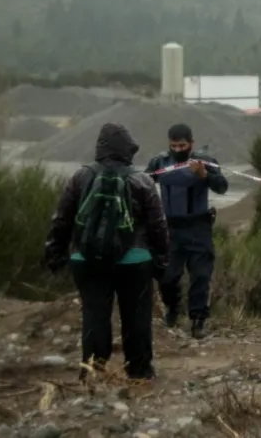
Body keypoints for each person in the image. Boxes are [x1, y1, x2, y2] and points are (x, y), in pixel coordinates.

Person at [43, 123, 170, 381]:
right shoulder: (142, 180)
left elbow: (61, 219)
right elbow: (158, 225)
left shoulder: (80, 177)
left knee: (94, 315)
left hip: (87, 259)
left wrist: (56, 252)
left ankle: (92, 372)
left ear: (100, 148)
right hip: (135, 261)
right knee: (136, 317)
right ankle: (139, 372)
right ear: (127, 149)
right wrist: (161, 261)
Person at [145, 123, 229, 339]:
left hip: (197, 226)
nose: (178, 150)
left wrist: (204, 175)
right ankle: (172, 308)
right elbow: (143, 184)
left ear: (191, 143)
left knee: (200, 275)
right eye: (173, 146)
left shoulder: (205, 161)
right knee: (167, 276)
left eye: (182, 146)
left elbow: (222, 186)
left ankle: (198, 320)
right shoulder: (159, 162)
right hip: (170, 227)